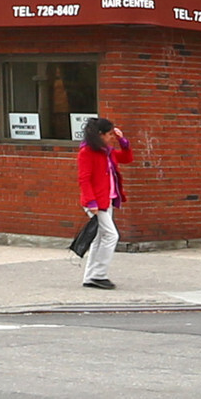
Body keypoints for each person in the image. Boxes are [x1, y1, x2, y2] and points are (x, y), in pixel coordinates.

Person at [76, 116, 134, 289]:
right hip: (96, 202)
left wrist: (123, 141)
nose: (111, 137)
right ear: (100, 134)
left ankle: (90, 276)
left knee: (100, 238)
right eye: (109, 134)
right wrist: (91, 202)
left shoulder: (106, 152)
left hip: (106, 199)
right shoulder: (87, 152)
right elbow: (84, 179)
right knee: (111, 235)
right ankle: (98, 275)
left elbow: (126, 158)